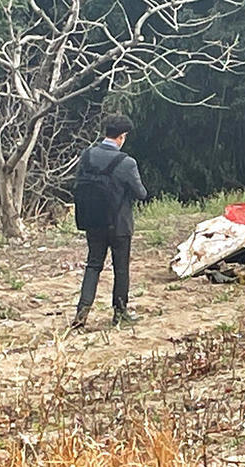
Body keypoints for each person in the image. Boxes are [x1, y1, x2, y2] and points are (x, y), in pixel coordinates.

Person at [72, 114, 148, 329]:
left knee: (93, 265)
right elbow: (141, 193)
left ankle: (82, 313)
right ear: (122, 137)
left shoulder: (86, 156)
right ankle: (120, 313)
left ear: (106, 133)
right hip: (119, 225)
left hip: (93, 221)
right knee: (120, 268)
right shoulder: (126, 162)